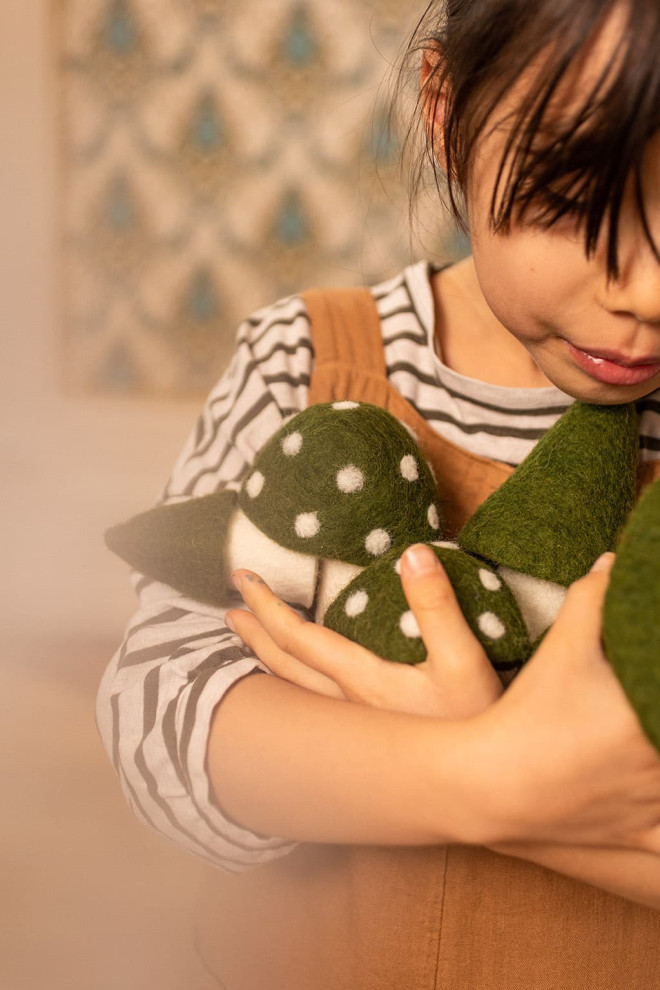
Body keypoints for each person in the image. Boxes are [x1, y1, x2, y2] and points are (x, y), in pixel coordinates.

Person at [97, 0, 660, 983]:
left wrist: (491, 778)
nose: (648, 295)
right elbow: (166, 722)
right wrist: (489, 771)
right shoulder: (301, 358)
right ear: (448, 114)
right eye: (578, 202)